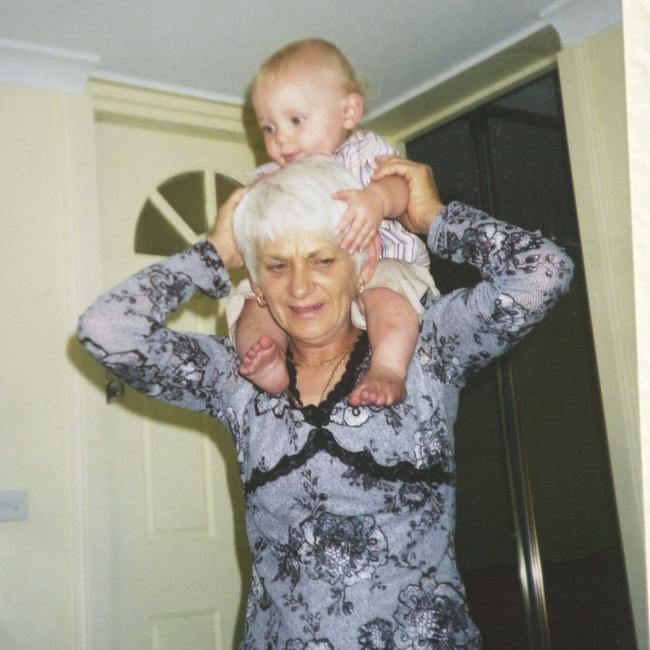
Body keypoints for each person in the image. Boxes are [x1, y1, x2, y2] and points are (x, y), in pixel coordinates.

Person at [78, 156, 573, 649]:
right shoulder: (237, 378)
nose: (298, 286)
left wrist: (431, 217)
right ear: (258, 287)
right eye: (276, 265)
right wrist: (214, 252)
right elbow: (108, 332)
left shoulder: (427, 351)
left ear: (363, 268)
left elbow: (544, 272)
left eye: (322, 260)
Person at [232, 38, 438, 407]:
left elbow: (402, 188)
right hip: (325, 293)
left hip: (386, 261)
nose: (282, 139)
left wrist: (377, 199)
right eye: (269, 128)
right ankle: (268, 359)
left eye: (295, 120)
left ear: (348, 112)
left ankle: (388, 367)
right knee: (251, 299)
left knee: (387, 295)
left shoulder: (362, 153)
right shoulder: (275, 177)